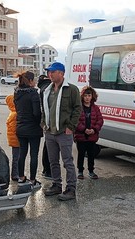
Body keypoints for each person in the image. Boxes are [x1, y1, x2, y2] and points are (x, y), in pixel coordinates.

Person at [41, 62, 82, 201]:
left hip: (64, 132)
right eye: (49, 72)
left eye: (53, 71)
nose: (50, 74)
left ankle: (71, 189)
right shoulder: (47, 90)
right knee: (53, 161)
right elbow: (45, 109)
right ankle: (56, 185)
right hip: (49, 132)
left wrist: (71, 127)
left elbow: (78, 109)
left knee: (67, 162)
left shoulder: (71, 89)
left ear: (62, 73)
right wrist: (43, 123)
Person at [13, 71, 43, 188]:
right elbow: (36, 113)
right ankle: (32, 180)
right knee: (34, 154)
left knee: (22, 153)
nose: (35, 82)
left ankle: (21, 177)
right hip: (33, 128)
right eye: (34, 80)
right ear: (30, 81)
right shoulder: (33, 93)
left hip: (20, 127)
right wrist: (39, 123)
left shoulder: (17, 93)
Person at [74, 85, 104, 180]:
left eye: (89, 96)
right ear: (82, 96)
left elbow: (100, 120)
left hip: (92, 136)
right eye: (85, 96)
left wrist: (94, 129)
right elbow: (76, 121)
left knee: (91, 155)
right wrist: (83, 129)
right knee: (81, 154)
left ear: (92, 97)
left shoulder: (95, 108)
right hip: (81, 136)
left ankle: (91, 171)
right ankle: (80, 171)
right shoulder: (79, 108)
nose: (87, 98)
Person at [37, 73, 52, 179]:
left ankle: (45, 169)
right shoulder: (47, 88)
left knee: (47, 146)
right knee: (49, 147)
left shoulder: (41, 87)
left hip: (46, 121)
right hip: (49, 121)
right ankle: (48, 170)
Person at [5, 93, 19, 182]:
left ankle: (15, 173)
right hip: (16, 140)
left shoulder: (12, 113)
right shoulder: (15, 114)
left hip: (14, 140)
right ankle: (15, 174)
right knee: (17, 158)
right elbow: (15, 129)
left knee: (16, 157)